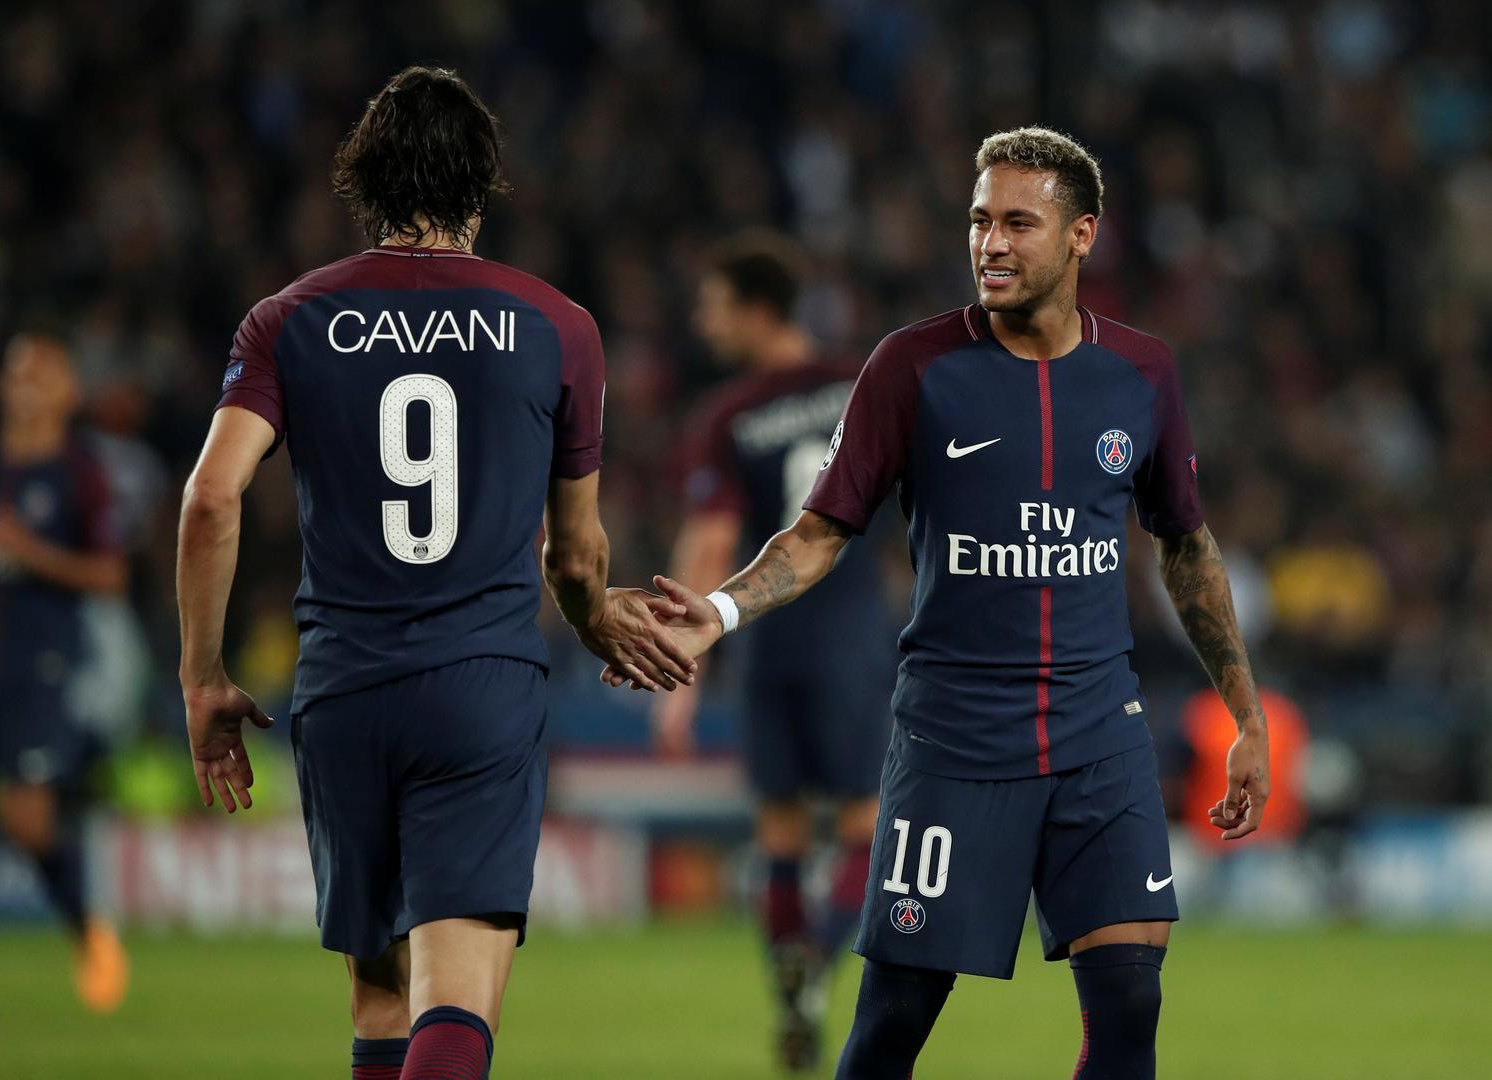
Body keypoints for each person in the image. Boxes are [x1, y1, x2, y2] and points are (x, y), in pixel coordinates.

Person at [607, 127, 1270, 1079]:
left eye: (1017, 223)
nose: (989, 243)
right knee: (891, 1024)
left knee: (1129, 1004)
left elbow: (1186, 547)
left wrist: (1245, 714)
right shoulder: (911, 367)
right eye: (978, 220)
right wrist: (720, 611)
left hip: (1099, 733)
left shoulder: (1142, 373)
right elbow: (817, 533)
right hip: (954, 739)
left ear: (1081, 235)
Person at [175, 67, 695, 1080]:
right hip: (478, 689)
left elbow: (209, 498)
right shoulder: (558, 324)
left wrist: (202, 677)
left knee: (379, 999)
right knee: (456, 997)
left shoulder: (286, 319)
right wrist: (596, 618)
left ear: (362, 179)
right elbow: (575, 554)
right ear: (484, 181)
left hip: (342, 689)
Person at [654, 233, 895, 1070]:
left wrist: (678, 670)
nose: (703, 323)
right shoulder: (859, 389)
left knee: (781, 833)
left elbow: (711, 539)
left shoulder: (728, 416)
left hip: (765, 644)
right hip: (852, 635)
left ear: (756, 311)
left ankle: (791, 983)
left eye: (714, 307)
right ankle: (819, 962)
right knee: (864, 826)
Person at [0, 331, 130, 1013]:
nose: (27, 386)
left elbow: (109, 575)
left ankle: (86, 928)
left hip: (38, 661)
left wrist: (29, 551)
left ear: (67, 393)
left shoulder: (79, 473)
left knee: (26, 819)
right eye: (18, 373)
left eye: (41, 375)